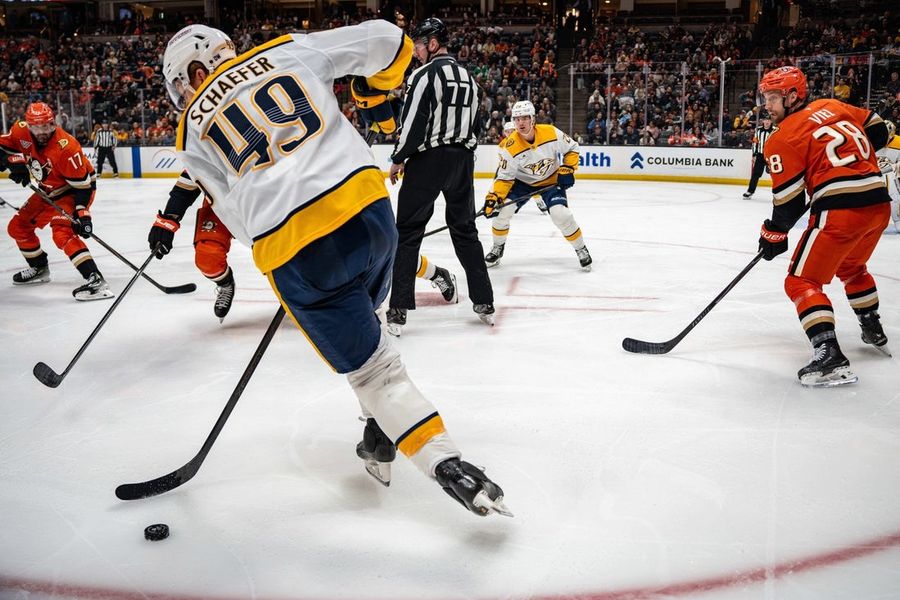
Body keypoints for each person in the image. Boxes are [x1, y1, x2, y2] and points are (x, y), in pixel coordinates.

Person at [151, 22, 510, 517]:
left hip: (297, 250)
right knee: (368, 320)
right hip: (368, 210)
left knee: (376, 372)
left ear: (194, 69)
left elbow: (232, 213)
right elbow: (390, 39)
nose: (183, 93)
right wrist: (371, 87)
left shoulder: (190, 125)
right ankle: (378, 433)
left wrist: (286, 245)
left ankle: (445, 462)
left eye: (181, 83)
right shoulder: (285, 52)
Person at [757, 66, 892, 387]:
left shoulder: (782, 138)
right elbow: (880, 130)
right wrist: (847, 160)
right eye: (765, 97)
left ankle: (828, 353)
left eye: (773, 98)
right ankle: (872, 325)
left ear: (792, 96)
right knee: (853, 267)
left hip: (841, 210)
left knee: (801, 281)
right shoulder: (833, 106)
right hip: (878, 205)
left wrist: (772, 234)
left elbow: (788, 205)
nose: (767, 105)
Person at [386, 17, 495, 333]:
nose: (417, 53)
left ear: (432, 44)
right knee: (465, 230)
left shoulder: (423, 74)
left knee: (407, 232)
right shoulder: (470, 79)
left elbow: (414, 121)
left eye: (419, 46)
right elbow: (476, 126)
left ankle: (398, 310)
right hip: (462, 160)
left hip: (428, 161)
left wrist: (399, 158)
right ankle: (484, 301)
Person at [0, 102, 113, 301]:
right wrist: (12, 164)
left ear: (53, 123)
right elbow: (3, 148)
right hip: (48, 189)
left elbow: (83, 187)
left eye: (47, 125)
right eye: (37, 127)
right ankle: (39, 268)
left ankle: (96, 279)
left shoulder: (67, 147)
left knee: (62, 231)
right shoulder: (20, 131)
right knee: (18, 227)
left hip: (75, 190)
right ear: (28, 125)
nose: (42, 131)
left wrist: (82, 214)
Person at [482, 100, 592, 271]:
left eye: (525, 118)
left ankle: (580, 248)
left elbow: (572, 148)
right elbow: (504, 178)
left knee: (561, 214)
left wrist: (568, 168)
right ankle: (497, 247)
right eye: (517, 119)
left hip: (550, 180)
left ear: (533, 119)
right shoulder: (509, 146)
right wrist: (493, 197)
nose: (520, 123)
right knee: (502, 213)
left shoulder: (550, 132)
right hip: (522, 183)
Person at [149, 171, 237, 321]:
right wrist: (170, 217)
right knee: (207, 256)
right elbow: (192, 173)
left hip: (268, 199)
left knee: (281, 253)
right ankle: (226, 283)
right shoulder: (206, 146)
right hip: (221, 202)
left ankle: (291, 288)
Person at [875, 121, 900, 233]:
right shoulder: (872, 142)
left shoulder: (898, 142)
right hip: (874, 174)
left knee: (895, 195)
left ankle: (898, 220)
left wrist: (893, 166)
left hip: (892, 174)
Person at [743, 111, 774, 199]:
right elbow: (755, 143)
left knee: (776, 175)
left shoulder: (774, 130)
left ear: (771, 121)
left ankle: (777, 192)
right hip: (760, 155)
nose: (767, 122)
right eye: (765, 120)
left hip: (771, 156)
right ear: (763, 121)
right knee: (755, 174)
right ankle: (750, 191)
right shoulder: (758, 130)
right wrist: (754, 154)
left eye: (769, 120)